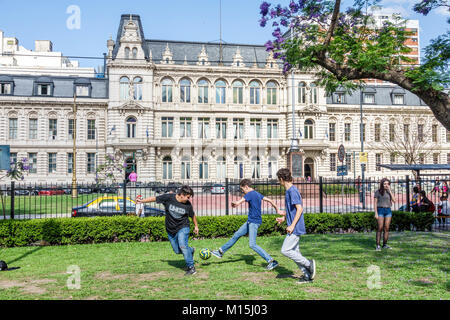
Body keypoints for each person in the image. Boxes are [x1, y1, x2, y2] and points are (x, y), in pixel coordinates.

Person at [211, 179, 280, 271]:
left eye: (242, 189)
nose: (242, 191)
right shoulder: (257, 194)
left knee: (252, 244)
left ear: (246, 186)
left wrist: (235, 203)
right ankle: (220, 252)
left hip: (254, 222)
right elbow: (270, 200)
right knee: (237, 235)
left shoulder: (250, 194)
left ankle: (271, 261)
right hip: (251, 221)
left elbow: (240, 201)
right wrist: (277, 210)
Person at [137, 185, 199, 276]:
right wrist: (142, 201)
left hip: (183, 227)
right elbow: (155, 198)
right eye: (188, 197)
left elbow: (192, 215)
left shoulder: (188, 205)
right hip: (171, 229)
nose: (188, 199)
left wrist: (196, 226)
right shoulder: (168, 198)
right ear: (182, 194)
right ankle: (191, 250)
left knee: (182, 245)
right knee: (177, 251)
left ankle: (191, 268)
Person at [275, 168, 316, 284]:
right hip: (293, 225)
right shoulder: (288, 191)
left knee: (285, 250)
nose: (279, 182)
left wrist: (292, 225)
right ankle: (307, 275)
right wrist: (284, 218)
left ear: (282, 179)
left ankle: (309, 264)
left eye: (279, 180)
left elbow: (299, 209)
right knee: (295, 253)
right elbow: (292, 210)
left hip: (296, 227)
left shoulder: (292, 191)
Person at [374, 178, 396, 251]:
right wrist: (376, 213)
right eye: (385, 184)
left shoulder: (389, 192)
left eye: (388, 184)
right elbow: (375, 203)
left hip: (388, 210)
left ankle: (385, 244)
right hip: (380, 210)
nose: (386, 185)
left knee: (386, 228)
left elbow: (394, 200)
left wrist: (390, 191)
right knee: (380, 228)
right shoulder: (378, 192)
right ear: (382, 184)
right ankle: (378, 245)